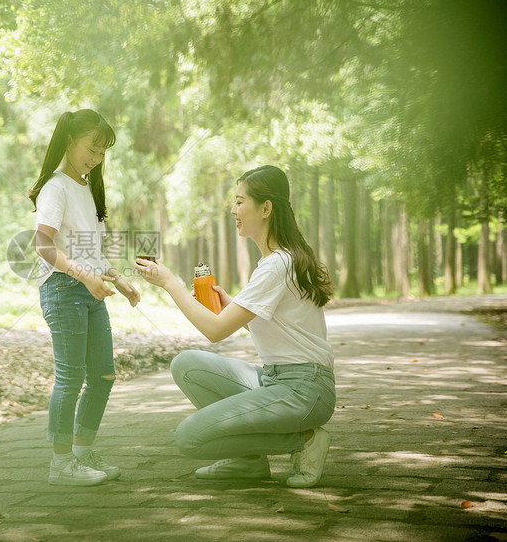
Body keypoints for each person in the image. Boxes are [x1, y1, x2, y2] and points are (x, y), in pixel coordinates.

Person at [135, 165, 335, 488]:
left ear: (266, 208)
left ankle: (304, 440)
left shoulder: (277, 265)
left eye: (240, 201)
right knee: (185, 365)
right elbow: (281, 326)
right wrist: (233, 308)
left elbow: (214, 331)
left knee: (189, 438)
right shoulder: (279, 260)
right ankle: (249, 461)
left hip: (304, 389)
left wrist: (169, 282)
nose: (233, 210)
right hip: (277, 379)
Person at [30, 109, 141, 486]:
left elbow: (87, 249)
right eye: (91, 147)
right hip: (63, 290)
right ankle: (61, 465)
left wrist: (118, 281)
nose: (95, 158)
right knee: (71, 378)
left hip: (89, 289)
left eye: (102, 152)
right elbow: (43, 245)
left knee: (104, 375)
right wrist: (84, 277)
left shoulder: (88, 188)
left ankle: (80, 453)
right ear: (69, 141)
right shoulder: (56, 187)